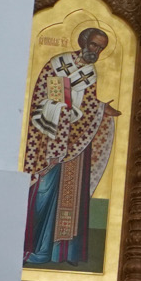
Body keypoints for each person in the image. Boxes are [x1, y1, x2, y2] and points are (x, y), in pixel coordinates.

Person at [22, 27, 120, 268]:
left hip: (75, 143)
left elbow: (86, 102)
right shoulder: (59, 64)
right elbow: (49, 98)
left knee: (71, 196)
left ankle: (61, 252)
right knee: (44, 191)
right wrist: (94, 110)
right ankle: (35, 249)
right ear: (83, 41)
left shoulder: (90, 72)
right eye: (94, 45)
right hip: (48, 140)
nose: (96, 51)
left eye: (101, 48)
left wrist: (100, 109)